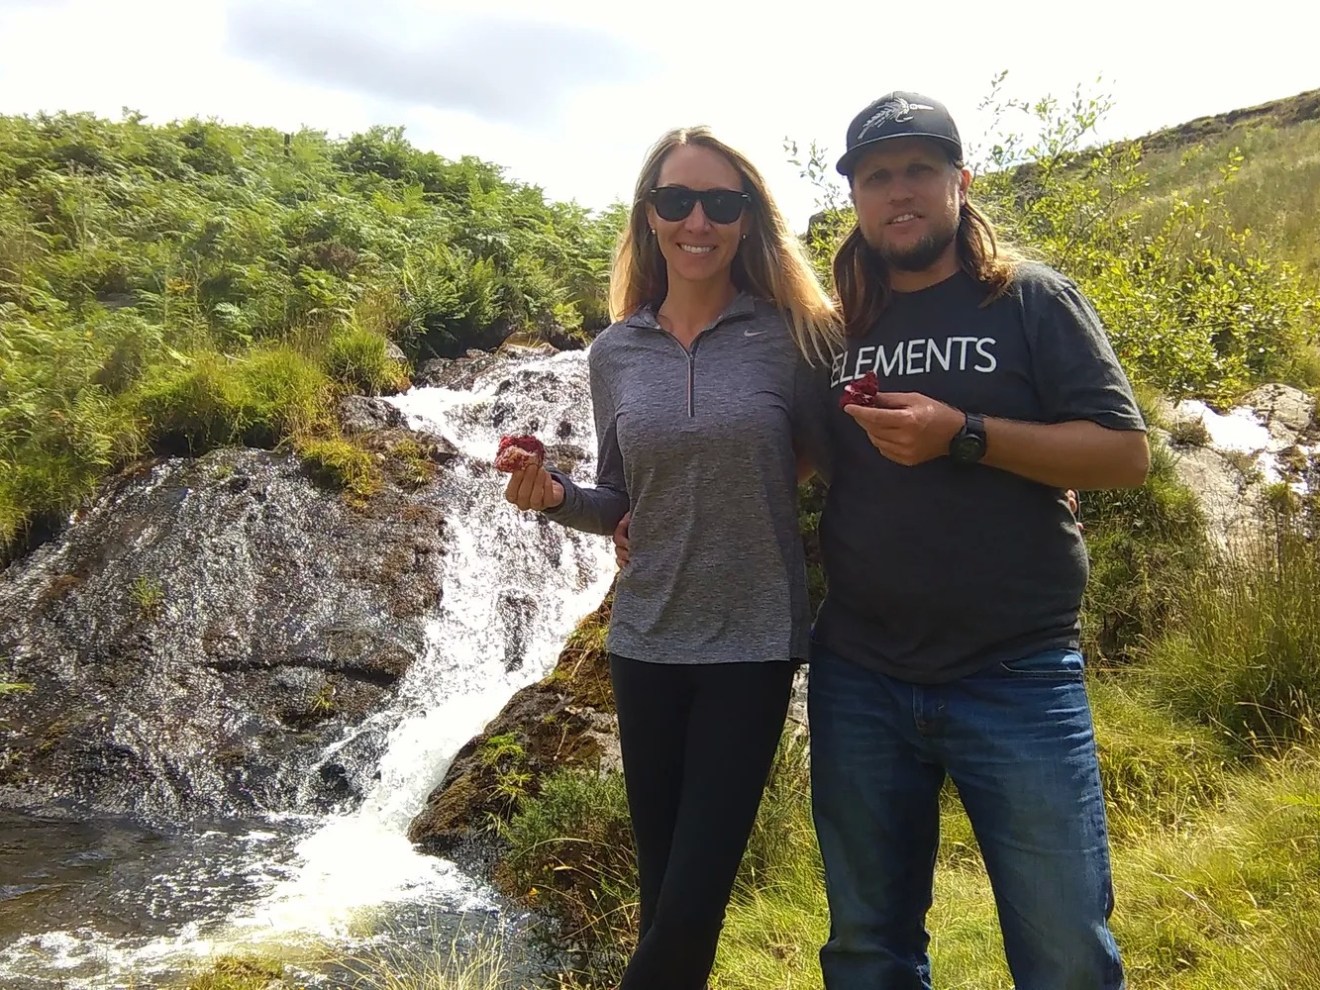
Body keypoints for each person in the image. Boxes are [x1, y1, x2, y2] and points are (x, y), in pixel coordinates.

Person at [805, 92, 1149, 990]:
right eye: (877, 176)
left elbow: (1123, 453)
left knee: (1066, 954)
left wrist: (967, 433)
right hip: (861, 676)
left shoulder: (1030, 298)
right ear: (857, 199)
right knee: (866, 949)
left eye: (919, 169)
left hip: (1017, 675)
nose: (899, 191)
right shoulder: (835, 323)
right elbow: (791, 455)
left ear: (961, 182)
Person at [502, 125, 839, 990]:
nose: (698, 219)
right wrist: (552, 497)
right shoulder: (615, 352)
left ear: (747, 221)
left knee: (694, 899)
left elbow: (838, 454)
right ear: (648, 216)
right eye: (677, 200)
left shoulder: (793, 336)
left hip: (751, 644)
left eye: (721, 203)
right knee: (664, 899)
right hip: (645, 642)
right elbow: (620, 499)